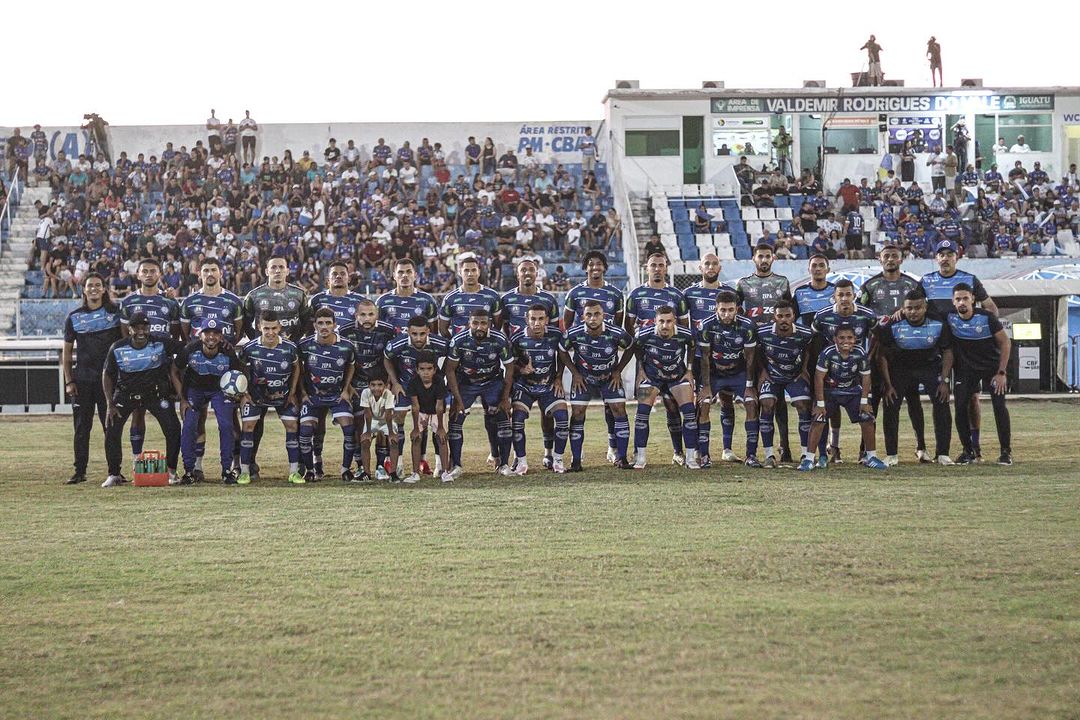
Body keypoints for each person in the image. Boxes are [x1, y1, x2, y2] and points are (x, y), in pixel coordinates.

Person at [858, 241, 929, 461]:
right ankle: (865, 450)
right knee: (874, 399)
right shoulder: (870, 286)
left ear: (901, 259)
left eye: (894, 256)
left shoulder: (913, 286)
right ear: (879, 259)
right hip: (879, 349)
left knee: (913, 400)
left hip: (907, 352)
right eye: (886, 255)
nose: (890, 259)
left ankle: (921, 447)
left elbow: (924, 311)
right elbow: (860, 315)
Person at [179, 257, 245, 478]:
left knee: (228, 422)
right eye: (206, 270)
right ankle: (194, 467)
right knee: (193, 422)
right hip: (197, 374)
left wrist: (226, 348)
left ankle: (230, 467)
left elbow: (238, 332)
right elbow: (184, 334)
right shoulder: (189, 302)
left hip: (223, 376)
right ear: (200, 273)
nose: (210, 273)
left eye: (213, 269)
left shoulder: (233, 301)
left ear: (220, 273)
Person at [101, 312, 183, 487]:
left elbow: (186, 349)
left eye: (144, 327)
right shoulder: (117, 348)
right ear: (129, 329)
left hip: (155, 395)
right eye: (136, 327)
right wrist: (110, 403)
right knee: (112, 429)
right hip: (125, 395)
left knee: (173, 428)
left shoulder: (160, 343)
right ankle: (114, 474)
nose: (141, 331)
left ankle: (171, 471)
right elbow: (107, 375)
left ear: (149, 328)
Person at [625, 253, 692, 466]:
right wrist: (640, 366)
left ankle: (679, 452)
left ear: (666, 268)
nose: (657, 269)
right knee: (643, 406)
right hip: (647, 362)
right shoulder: (636, 295)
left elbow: (685, 331)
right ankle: (637, 455)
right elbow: (630, 330)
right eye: (653, 265)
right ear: (647, 268)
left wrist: (688, 367)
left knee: (674, 406)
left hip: (673, 362)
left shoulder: (676, 295)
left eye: (661, 265)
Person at [876, 289, 954, 466]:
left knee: (941, 403)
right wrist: (888, 385)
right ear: (903, 309)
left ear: (925, 307)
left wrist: (944, 380)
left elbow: (948, 351)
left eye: (917, 308)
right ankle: (892, 454)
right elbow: (882, 355)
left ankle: (942, 453)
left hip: (929, 367)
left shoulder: (938, 324)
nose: (913, 312)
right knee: (890, 404)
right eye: (909, 308)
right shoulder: (893, 324)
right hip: (901, 368)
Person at [119, 258, 182, 477]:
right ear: (138, 274)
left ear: (160, 274)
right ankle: (137, 461)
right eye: (144, 271)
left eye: (152, 271)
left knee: (168, 417)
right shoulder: (128, 302)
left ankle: (172, 469)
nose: (148, 274)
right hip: (136, 369)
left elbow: (175, 335)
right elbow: (123, 337)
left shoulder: (170, 303)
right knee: (137, 413)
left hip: (161, 369)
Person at [562, 250, 625, 464]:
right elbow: (568, 328)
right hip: (583, 365)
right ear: (585, 268)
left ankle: (614, 447)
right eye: (591, 264)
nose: (595, 267)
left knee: (612, 407)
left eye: (599, 264)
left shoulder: (616, 294)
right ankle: (576, 457)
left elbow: (617, 329)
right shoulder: (575, 293)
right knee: (578, 411)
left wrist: (615, 366)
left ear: (605, 267)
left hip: (607, 362)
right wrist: (575, 367)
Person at [941, 284, 1012, 465]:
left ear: (973, 299)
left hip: (992, 368)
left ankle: (1005, 452)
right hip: (966, 370)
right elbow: (948, 350)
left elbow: (1005, 342)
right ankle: (969, 451)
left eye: (965, 298)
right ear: (953, 301)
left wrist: (1001, 373)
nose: (962, 302)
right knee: (960, 407)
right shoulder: (949, 318)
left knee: (999, 406)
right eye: (958, 299)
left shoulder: (986, 317)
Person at [736, 241, 795, 461]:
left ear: (773, 258)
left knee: (777, 399)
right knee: (755, 400)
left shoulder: (782, 282)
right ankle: (755, 450)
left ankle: (784, 447)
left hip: (776, 347)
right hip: (752, 348)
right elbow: (737, 313)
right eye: (760, 256)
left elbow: (788, 313)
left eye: (767, 256)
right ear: (754, 258)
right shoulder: (743, 284)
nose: (764, 260)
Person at [801, 325, 888, 471]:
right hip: (830, 392)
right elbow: (818, 378)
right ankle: (809, 459)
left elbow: (866, 378)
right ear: (835, 339)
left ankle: (871, 456)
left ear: (855, 339)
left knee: (867, 417)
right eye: (841, 338)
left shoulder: (860, 353)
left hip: (852, 391)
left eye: (849, 338)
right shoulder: (827, 353)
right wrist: (820, 404)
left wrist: (865, 401)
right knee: (818, 418)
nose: (845, 341)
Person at [62, 273, 122, 484]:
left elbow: (124, 344)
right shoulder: (74, 316)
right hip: (82, 381)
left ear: (104, 289)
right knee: (81, 428)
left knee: (111, 427)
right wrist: (69, 381)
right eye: (90, 286)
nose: (94, 288)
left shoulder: (115, 313)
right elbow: (67, 354)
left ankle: (114, 472)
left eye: (98, 285)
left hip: (109, 382)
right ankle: (80, 472)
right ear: (84, 290)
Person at [623, 306, 699, 469]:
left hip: (676, 377)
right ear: (655, 321)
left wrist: (690, 370)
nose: (665, 325)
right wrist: (641, 370)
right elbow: (636, 347)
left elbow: (692, 346)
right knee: (642, 413)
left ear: (675, 321)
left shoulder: (685, 334)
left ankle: (691, 458)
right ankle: (640, 457)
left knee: (689, 413)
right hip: (652, 377)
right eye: (661, 322)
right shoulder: (643, 334)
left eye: (669, 321)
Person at [562, 300, 634, 471]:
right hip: (584, 379)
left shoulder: (616, 333)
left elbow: (630, 347)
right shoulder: (574, 333)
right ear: (582, 317)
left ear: (603, 316)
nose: (593, 318)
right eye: (589, 315)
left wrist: (618, 371)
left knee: (619, 409)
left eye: (596, 314)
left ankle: (622, 458)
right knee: (578, 413)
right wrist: (575, 373)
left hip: (609, 377)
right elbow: (562, 350)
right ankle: (576, 461)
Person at [502, 259, 561, 468]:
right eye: (523, 269)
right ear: (517, 273)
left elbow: (555, 337)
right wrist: (515, 364)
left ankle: (548, 453)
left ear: (538, 273)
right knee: (514, 414)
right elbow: (503, 333)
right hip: (518, 367)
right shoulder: (507, 299)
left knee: (549, 414)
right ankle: (518, 457)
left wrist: (557, 374)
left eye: (531, 270)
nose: (528, 273)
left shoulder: (548, 299)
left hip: (545, 366)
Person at [170, 320, 242, 484]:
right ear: (199, 335)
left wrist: (239, 393)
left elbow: (238, 372)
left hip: (219, 390)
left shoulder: (228, 352)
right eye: (207, 333)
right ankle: (189, 471)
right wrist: (182, 398)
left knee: (226, 425)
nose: (211, 337)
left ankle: (226, 470)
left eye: (215, 333)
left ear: (221, 336)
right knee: (189, 425)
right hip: (195, 390)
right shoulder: (190, 349)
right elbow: (174, 370)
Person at [445, 309, 514, 476]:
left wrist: (505, 397)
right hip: (467, 383)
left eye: (483, 323)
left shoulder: (499, 340)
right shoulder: (459, 340)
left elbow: (510, 368)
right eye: (475, 323)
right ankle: (456, 466)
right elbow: (450, 370)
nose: (479, 327)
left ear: (489, 324)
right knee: (455, 418)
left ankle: (504, 465)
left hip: (492, 382)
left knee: (502, 416)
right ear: (469, 323)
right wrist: (457, 398)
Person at [236, 310, 303, 485]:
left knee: (292, 425)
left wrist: (293, 391)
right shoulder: (249, 348)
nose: (271, 332)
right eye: (266, 328)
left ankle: (294, 472)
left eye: (274, 328)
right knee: (248, 427)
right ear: (259, 327)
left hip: (283, 396)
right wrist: (244, 393)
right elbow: (240, 371)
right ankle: (244, 471)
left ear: (280, 327)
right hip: (256, 397)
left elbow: (297, 368)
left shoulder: (290, 348)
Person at [685, 254, 740, 464]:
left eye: (714, 263)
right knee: (702, 402)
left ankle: (727, 448)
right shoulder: (689, 293)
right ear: (700, 267)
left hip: (726, 357)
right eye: (707, 263)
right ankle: (701, 450)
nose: (710, 266)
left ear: (720, 266)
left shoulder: (730, 293)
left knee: (727, 399)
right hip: (701, 357)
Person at [697, 291, 761, 467]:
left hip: (738, 373)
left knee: (751, 402)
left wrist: (749, 385)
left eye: (731, 310)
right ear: (716, 309)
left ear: (737, 309)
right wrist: (706, 386)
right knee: (704, 403)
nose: (727, 314)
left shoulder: (747, 326)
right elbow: (704, 357)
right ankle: (704, 456)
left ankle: (751, 455)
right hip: (715, 373)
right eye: (723, 310)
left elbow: (750, 358)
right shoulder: (706, 325)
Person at [297, 307, 357, 483]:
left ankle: (345, 469)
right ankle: (311, 469)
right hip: (313, 396)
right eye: (320, 323)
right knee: (306, 431)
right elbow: (298, 370)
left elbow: (351, 365)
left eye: (328, 323)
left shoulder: (346, 346)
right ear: (315, 325)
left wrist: (346, 388)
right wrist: (302, 393)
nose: (324, 327)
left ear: (335, 325)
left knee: (349, 429)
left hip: (337, 395)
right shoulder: (305, 345)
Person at [510, 304, 571, 474]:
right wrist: (521, 370)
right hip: (525, 386)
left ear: (546, 320)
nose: (537, 323)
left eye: (541, 319)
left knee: (562, 416)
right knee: (517, 418)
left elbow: (563, 357)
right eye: (533, 319)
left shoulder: (556, 335)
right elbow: (510, 366)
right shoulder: (516, 339)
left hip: (548, 385)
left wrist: (558, 377)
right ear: (526, 320)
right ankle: (521, 461)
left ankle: (557, 460)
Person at [384, 316, 449, 474]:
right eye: (414, 334)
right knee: (398, 417)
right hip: (405, 387)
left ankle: (436, 465)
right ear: (408, 332)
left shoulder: (440, 344)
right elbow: (387, 359)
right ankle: (397, 463)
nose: (418, 338)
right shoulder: (397, 344)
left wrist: (440, 377)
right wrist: (395, 383)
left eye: (422, 333)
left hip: (429, 388)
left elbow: (453, 358)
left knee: (431, 423)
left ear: (428, 331)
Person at [340, 298, 397, 478]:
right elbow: (342, 360)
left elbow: (392, 359)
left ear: (377, 315)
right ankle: (360, 465)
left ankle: (381, 465)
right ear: (356, 315)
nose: (367, 318)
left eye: (371, 314)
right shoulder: (345, 332)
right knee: (360, 425)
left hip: (380, 385)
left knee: (381, 425)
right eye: (362, 314)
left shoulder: (388, 331)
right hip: (357, 385)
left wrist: (391, 383)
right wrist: (347, 385)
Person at [755, 299, 814, 467]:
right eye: (780, 316)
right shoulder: (763, 332)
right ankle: (769, 455)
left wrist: (803, 369)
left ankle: (805, 454)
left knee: (803, 404)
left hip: (794, 376)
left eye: (788, 315)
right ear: (774, 317)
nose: (784, 319)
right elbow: (756, 351)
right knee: (767, 403)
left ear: (794, 316)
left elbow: (808, 348)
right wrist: (763, 371)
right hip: (772, 376)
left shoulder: (805, 333)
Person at [406, 353, 451, 483]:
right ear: (417, 370)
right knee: (416, 438)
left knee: (442, 438)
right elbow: (415, 406)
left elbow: (440, 406)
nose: (426, 373)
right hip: (421, 411)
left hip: (437, 412)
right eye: (422, 369)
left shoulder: (439, 382)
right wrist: (416, 428)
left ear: (435, 369)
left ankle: (445, 472)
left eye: (429, 369)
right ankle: (415, 473)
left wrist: (441, 428)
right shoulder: (413, 382)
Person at [356, 370, 401, 484]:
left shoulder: (389, 394)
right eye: (373, 385)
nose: (376, 388)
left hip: (386, 421)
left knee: (394, 442)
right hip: (373, 420)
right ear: (368, 385)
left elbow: (388, 414)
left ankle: (393, 473)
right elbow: (367, 413)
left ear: (385, 386)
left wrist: (391, 433)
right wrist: (368, 432)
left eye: (380, 385)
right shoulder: (365, 393)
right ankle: (366, 473)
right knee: (365, 442)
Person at [793, 253, 836, 327]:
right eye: (814, 265)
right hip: (809, 337)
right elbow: (791, 318)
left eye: (822, 265)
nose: (818, 269)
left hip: (832, 337)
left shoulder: (836, 291)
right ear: (809, 270)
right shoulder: (800, 292)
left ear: (828, 270)